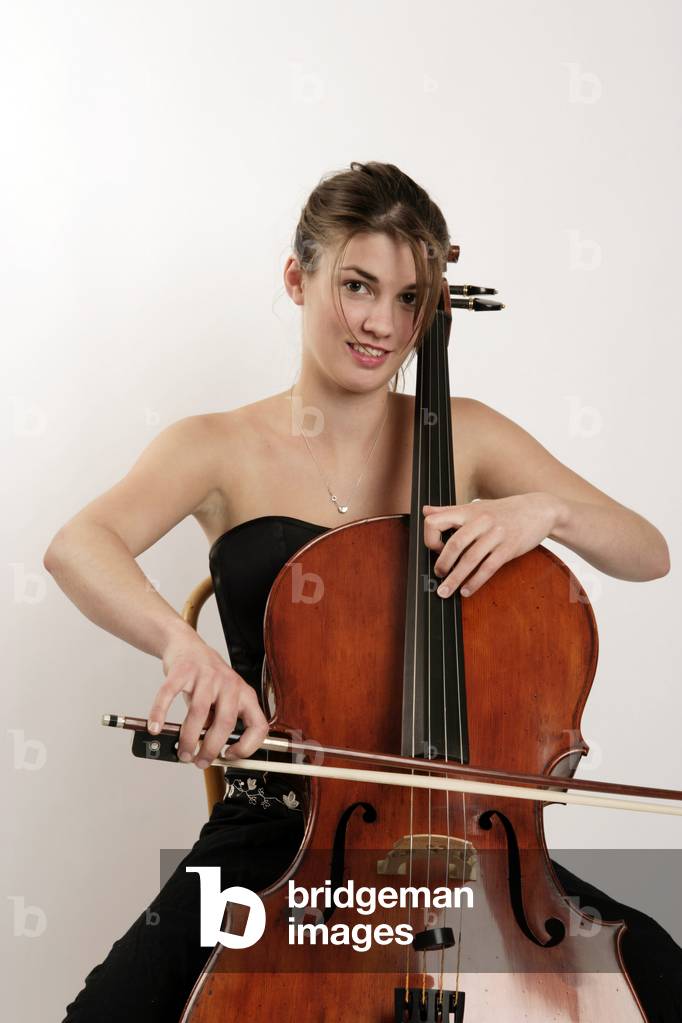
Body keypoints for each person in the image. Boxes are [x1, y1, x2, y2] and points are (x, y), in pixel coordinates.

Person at [45, 161, 681, 1022]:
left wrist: (547, 510)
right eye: (357, 285)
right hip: (279, 835)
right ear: (296, 277)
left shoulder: (467, 434)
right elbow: (79, 544)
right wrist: (181, 644)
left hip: (475, 845)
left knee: (663, 981)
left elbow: (648, 552)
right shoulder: (217, 447)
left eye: (410, 298)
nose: (383, 324)